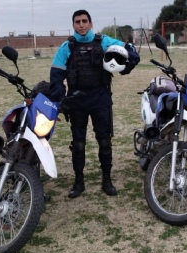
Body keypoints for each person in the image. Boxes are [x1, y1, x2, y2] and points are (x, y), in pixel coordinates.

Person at [49, 9, 140, 198]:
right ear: (73, 25)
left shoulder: (104, 41)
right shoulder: (66, 47)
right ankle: (79, 181)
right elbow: (56, 76)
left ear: (90, 23)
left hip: (100, 99)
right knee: (79, 144)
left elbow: (129, 51)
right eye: (77, 22)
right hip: (77, 102)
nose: (81, 25)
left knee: (104, 141)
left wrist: (129, 63)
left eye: (84, 21)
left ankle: (107, 179)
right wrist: (61, 98)